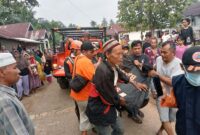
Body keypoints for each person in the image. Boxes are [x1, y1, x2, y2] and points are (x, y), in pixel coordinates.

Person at [86, 39, 147, 135]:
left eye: (122, 54)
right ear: (107, 54)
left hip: (110, 106)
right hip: (99, 109)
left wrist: (135, 83)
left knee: (120, 130)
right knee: (105, 132)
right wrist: (120, 100)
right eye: (118, 54)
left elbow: (122, 75)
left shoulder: (113, 65)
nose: (121, 57)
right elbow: (108, 97)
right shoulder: (103, 72)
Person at [148, 41, 184, 135]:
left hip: (174, 96)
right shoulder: (159, 59)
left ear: (173, 53)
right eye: (161, 52)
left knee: (170, 119)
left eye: (165, 52)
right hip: (161, 94)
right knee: (165, 119)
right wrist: (154, 89)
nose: (162, 55)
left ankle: (160, 130)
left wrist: (158, 75)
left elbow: (173, 82)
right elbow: (154, 71)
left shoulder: (178, 64)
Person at [0, 53, 35, 134]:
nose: (19, 71)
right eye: (15, 68)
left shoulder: (6, 95)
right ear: (2, 72)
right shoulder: (4, 101)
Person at [171, 46, 200, 135]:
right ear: (182, 67)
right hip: (183, 128)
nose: (197, 74)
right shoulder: (177, 81)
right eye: (193, 71)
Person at [121, 40, 151, 124]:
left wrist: (139, 65)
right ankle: (132, 114)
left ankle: (136, 110)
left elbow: (149, 67)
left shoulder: (145, 57)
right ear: (132, 49)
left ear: (142, 48)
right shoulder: (128, 58)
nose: (137, 50)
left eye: (139, 48)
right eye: (135, 48)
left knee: (141, 99)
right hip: (132, 82)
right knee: (131, 99)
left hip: (144, 82)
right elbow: (126, 69)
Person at [70, 41, 96, 135]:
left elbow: (85, 72)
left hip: (76, 93)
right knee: (91, 113)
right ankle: (90, 130)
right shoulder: (86, 61)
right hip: (84, 95)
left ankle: (85, 131)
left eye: (93, 51)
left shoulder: (78, 58)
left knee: (83, 114)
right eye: (91, 52)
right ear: (84, 51)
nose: (93, 54)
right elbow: (94, 78)